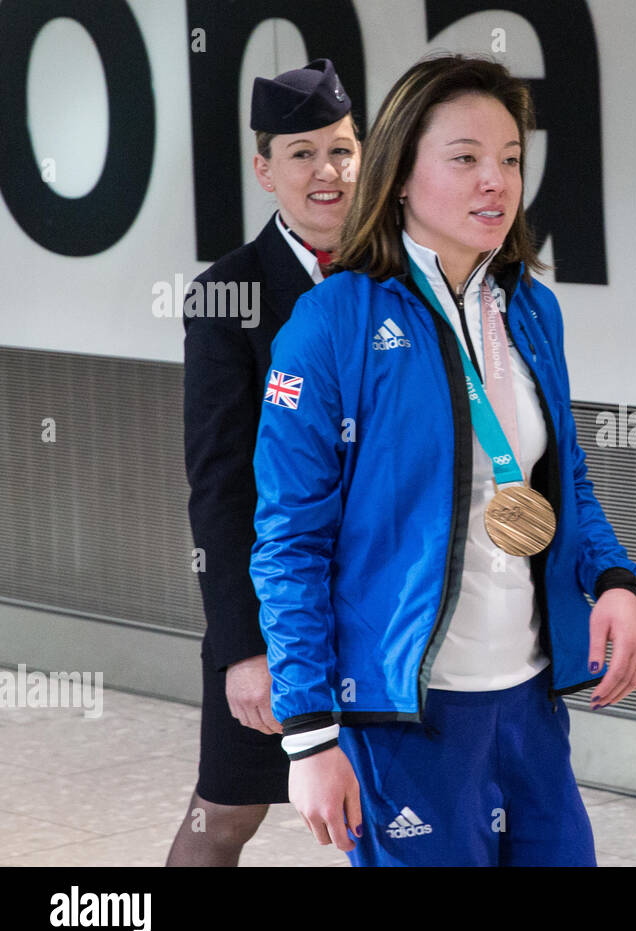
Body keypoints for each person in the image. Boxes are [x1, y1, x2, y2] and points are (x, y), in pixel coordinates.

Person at [249, 53, 636, 866]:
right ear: (398, 173)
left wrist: (613, 579)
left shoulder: (532, 310)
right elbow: (289, 542)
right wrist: (309, 737)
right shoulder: (330, 326)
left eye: (509, 159)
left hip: (532, 701)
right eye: (464, 158)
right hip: (406, 719)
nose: (494, 182)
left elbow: (562, 479)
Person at [167, 59, 360, 866]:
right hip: (277, 608)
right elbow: (218, 485)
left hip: (389, 600)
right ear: (264, 168)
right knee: (227, 815)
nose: (328, 172)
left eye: (344, 150)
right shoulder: (228, 295)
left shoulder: (401, 272)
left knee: (401, 810)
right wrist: (245, 646)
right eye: (303, 152)